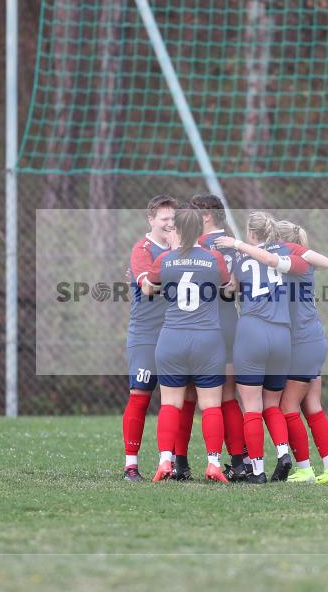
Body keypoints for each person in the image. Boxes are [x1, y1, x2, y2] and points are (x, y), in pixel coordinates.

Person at [215, 212, 328, 483]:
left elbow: (229, 289)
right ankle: (283, 454)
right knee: (274, 404)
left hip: (253, 331)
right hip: (283, 336)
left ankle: (256, 471)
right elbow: (320, 262)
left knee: (252, 405)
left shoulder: (243, 256)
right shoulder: (291, 257)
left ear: (251, 233)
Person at [142, 205, 231, 483]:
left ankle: (165, 462)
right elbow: (226, 286)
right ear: (199, 231)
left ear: (177, 230)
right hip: (207, 339)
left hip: (172, 338)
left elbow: (150, 287)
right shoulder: (214, 258)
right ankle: (214, 463)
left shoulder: (164, 260)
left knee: (170, 404)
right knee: (211, 405)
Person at [273, 220, 328, 486]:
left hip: (301, 344)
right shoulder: (295, 265)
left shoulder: (292, 264)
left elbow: (327, 261)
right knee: (312, 407)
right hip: (314, 340)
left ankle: (304, 469)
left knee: (287, 407)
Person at [191, 194, 250, 482]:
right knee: (229, 396)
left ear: (206, 215)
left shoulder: (197, 246)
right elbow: (236, 289)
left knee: (194, 396)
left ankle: (177, 461)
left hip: (200, 327)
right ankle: (241, 461)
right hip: (230, 324)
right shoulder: (235, 245)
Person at [122, 195, 177, 481]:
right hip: (147, 333)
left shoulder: (181, 247)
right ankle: (130, 465)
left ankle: (174, 461)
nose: (170, 223)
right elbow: (147, 287)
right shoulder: (143, 249)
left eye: (172, 218)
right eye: (164, 218)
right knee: (140, 396)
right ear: (151, 220)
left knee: (179, 399)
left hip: (177, 332)